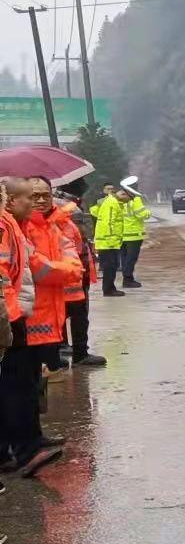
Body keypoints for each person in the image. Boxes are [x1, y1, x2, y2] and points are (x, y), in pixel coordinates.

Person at [3, 176, 76, 475]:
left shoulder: (20, 228)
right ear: (11, 200)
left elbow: (69, 260)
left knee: (23, 385)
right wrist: (9, 315)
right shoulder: (9, 228)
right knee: (15, 388)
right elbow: (21, 273)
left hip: (21, 315)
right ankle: (24, 452)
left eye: (43, 196)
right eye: (28, 197)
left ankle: (20, 449)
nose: (35, 202)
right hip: (14, 317)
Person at [50, 182, 103, 368]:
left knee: (73, 317)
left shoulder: (66, 222)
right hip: (63, 280)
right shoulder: (52, 223)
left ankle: (72, 352)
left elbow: (79, 248)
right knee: (61, 318)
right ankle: (63, 354)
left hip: (75, 278)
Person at [89, 183, 127, 297]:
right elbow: (108, 222)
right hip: (107, 242)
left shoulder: (109, 202)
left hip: (108, 241)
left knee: (112, 266)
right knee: (109, 267)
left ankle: (110, 287)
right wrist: (111, 240)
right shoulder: (110, 203)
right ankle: (108, 290)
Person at [116, 175, 151, 288]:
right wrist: (148, 213)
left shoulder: (119, 199)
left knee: (124, 258)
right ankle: (128, 280)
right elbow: (142, 214)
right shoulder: (135, 199)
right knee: (131, 259)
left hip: (122, 234)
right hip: (134, 235)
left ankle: (126, 278)